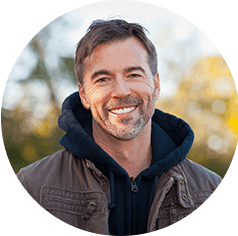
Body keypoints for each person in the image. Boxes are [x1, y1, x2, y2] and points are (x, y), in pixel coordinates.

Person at [17, 19, 222, 235]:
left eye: (133, 74)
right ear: (84, 95)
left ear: (156, 85)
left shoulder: (209, 188)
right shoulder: (32, 186)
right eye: (103, 79)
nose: (121, 91)